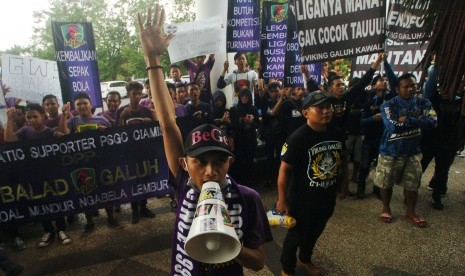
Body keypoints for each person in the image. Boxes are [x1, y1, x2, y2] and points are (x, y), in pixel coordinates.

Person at [136, 5, 273, 275]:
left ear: (230, 162)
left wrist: (231, 246)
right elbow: (167, 124)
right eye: (200, 161)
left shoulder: (249, 198)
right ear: (184, 164)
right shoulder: (183, 184)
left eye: (219, 161)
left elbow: (257, 262)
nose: (210, 171)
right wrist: (152, 60)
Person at [276, 90, 348, 276]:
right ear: (305, 112)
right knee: (295, 236)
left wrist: (344, 183)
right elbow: (284, 170)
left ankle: (305, 259)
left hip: (326, 198)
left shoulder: (337, 134)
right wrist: (282, 199)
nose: (327, 111)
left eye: (329, 107)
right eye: (320, 107)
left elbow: (342, 160)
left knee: (315, 231)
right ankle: (287, 269)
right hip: (301, 201)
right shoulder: (297, 139)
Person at [4, 103, 72, 248]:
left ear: (43, 116)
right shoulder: (25, 131)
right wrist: (9, 119)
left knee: (56, 201)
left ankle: (61, 229)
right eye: (29, 117)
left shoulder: (50, 131)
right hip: (33, 176)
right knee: (40, 202)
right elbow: (9, 139)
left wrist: (64, 115)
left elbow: (63, 133)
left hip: (52, 175)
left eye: (35, 116)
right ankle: (47, 230)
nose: (32, 120)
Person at [374, 73, 436, 227]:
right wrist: (420, 121)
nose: (410, 89)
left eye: (413, 86)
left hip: (413, 152)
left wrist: (408, 120)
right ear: (397, 89)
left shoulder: (424, 103)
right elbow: (392, 126)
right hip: (390, 152)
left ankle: (411, 212)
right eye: (405, 86)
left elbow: (433, 122)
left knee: (412, 184)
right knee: (385, 183)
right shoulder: (388, 105)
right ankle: (386, 208)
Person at [58, 92, 122, 235]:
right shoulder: (73, 121)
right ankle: (89, 222)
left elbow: (113, 141)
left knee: (107, 192)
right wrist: (63, 114)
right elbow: (64, 132)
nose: (82, 106)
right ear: (75, 107)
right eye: (78, 104)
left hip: (101, 163)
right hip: (81, 164)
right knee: (85, 193)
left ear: (90, 105)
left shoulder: (102, 120)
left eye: (84, 103)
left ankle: (111, 218)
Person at [420, 62, 463, 210]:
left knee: (442, 171)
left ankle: (437, 197)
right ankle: (411, 193)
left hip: (449, 143)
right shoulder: (433, 97)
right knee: (421, 166)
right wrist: (440, 62)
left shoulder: (460, 101)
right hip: (430, 140)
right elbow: (432, 77)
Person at [118, 81, 157, 223]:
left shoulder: (146, 111)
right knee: (133, 182)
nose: (137, 96)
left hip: (144, 152)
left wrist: (150, 122)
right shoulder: (121, 110)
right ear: (129, 94)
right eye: (134, 93)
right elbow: (115, 134)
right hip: (129, 153)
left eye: (140, 93)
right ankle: (134, 210)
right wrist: (122, 116)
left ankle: (143, 207)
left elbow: (155, 131)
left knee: (145, 181)